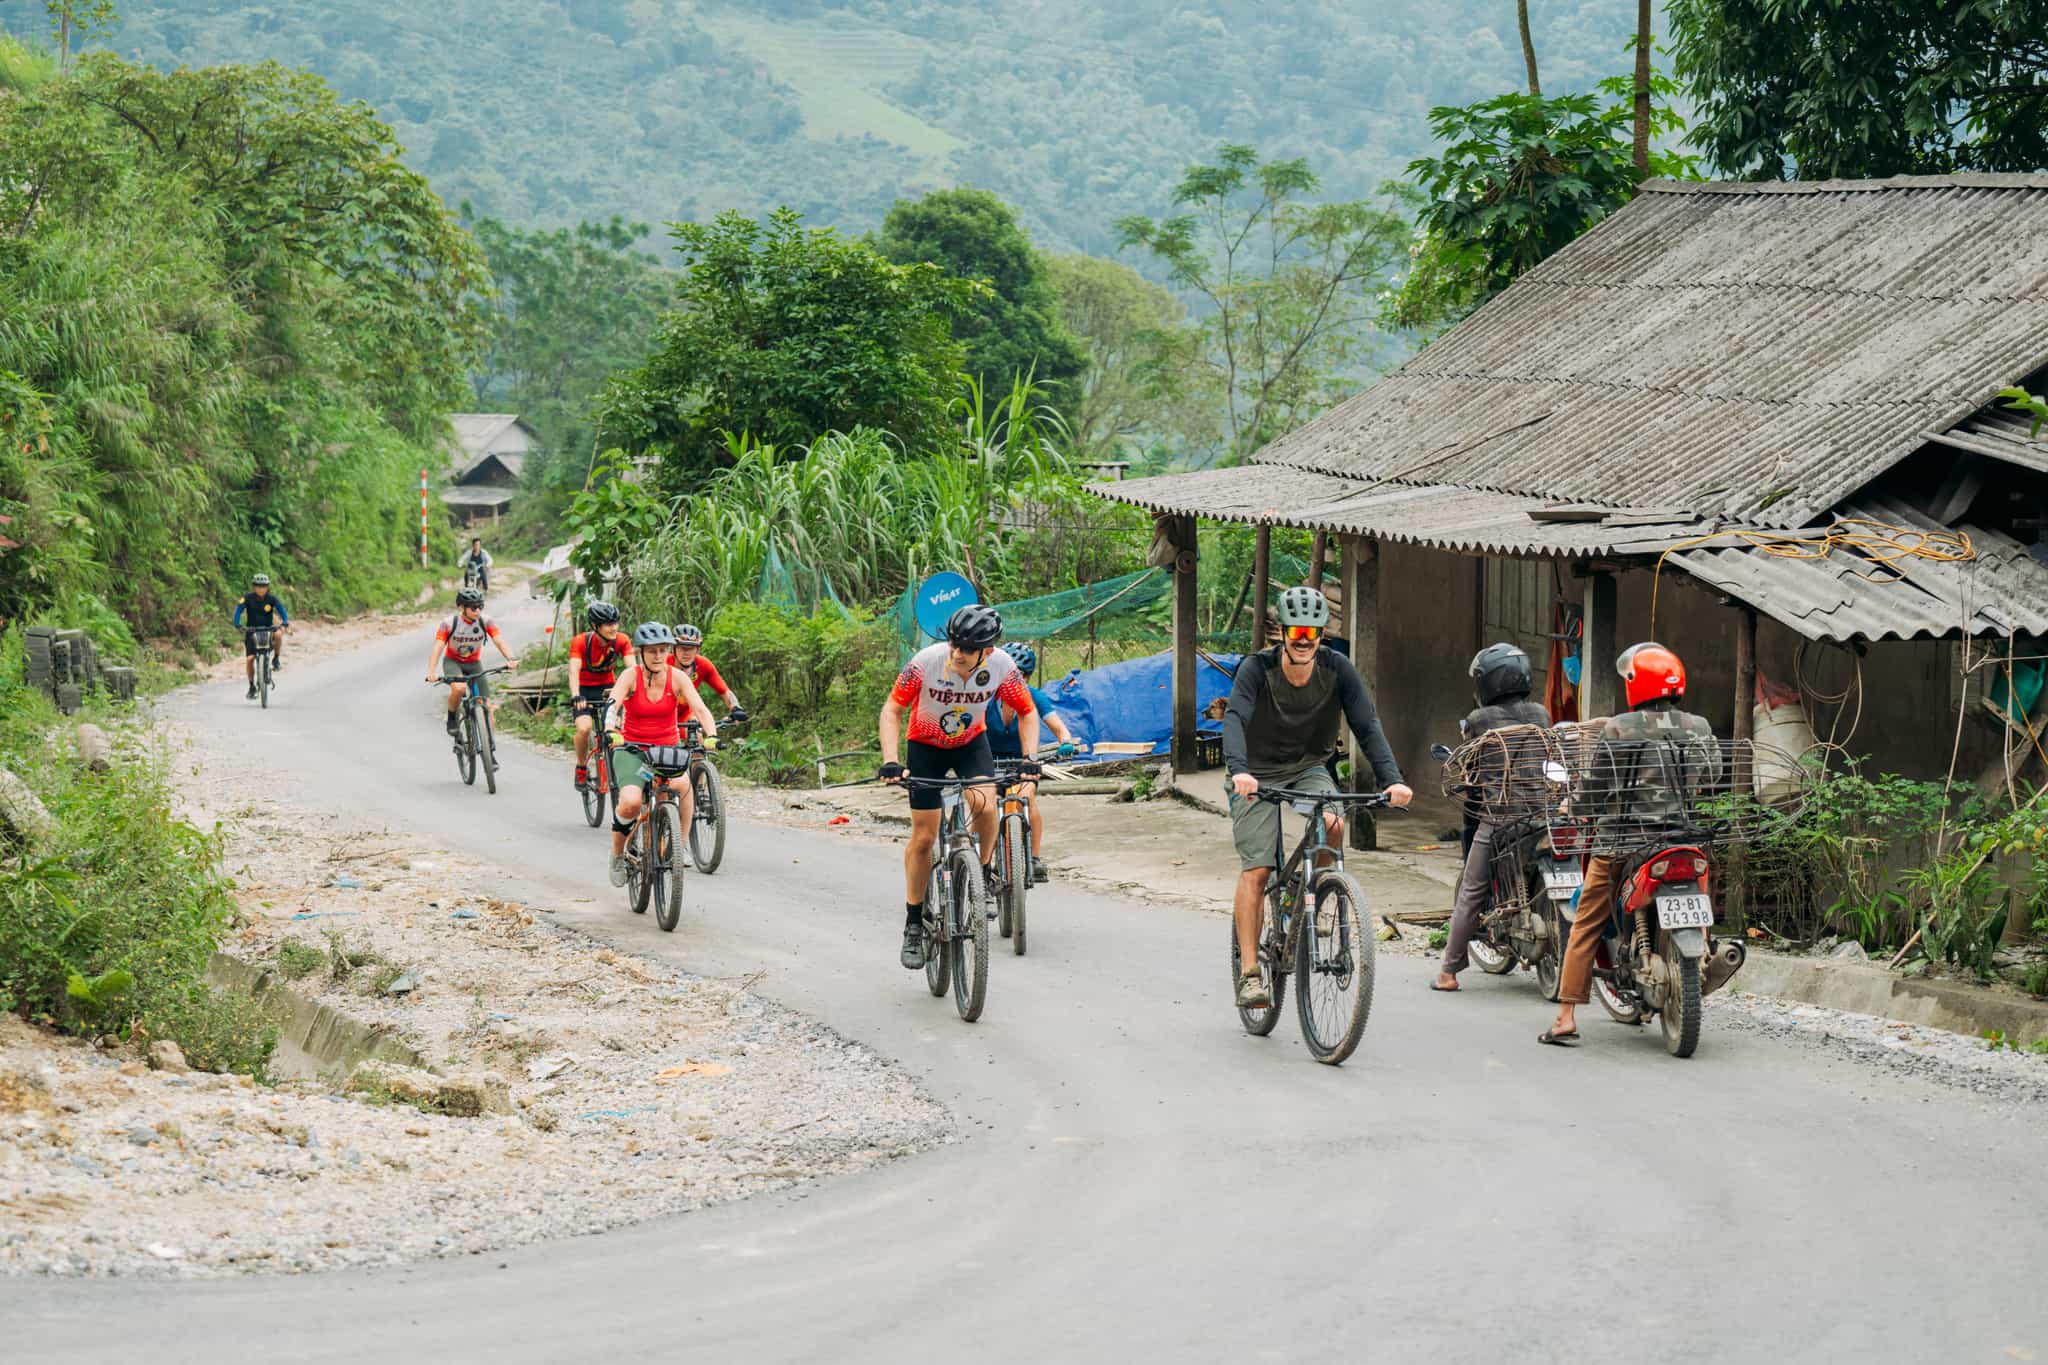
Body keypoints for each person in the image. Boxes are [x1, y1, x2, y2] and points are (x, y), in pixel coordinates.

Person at [1222, 585, 1413, 1009]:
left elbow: (1367, 725)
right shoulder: (1257, 670)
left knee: (1333, 823)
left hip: (1308, 767)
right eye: (1297, 635)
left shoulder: (1338, 669)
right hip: (1256, 773)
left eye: (1313, 634)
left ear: (1322, 635)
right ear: (1283, 635)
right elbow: (1234, 718)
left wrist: (1392, 779)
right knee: (1256, 869)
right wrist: (1240, 771)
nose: (1305, 642)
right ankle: (1252, 974)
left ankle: (1302, 895)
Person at [1542, 643, 1717, 1047]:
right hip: (1684, 838)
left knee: (1585, 922)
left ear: (1637, 686)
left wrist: (1574, 805)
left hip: (1623, 843)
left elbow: (1594, 791)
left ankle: (1566, 1016)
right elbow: (1713, 772)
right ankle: (1703, 945)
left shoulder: (1619, 728)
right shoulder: (1700, 726)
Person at [878, 604, 1039, 970]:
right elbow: (892, 710)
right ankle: (914, 923)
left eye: (967, 648)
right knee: (923, 838)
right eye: (953, 643)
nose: (957, 653)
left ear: (987, 650)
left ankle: (981, 876)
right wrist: (891, 760)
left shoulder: (1002, 667)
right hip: (925, 746)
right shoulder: (926, 662)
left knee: (984, 804)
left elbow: (1028, 712)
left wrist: (1029, 757)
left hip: (970, 745)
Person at [1433, 643, 1552, 993]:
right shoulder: (1541, 714)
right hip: (1543, 814)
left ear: (1487, 683)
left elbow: (1469, 765)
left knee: (1470, 891)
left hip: (1502, 819)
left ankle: (1448, 972)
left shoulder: (1479, 720)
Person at [603, 622, 717, 888]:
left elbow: (700, 709)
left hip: (667, 751)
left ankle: (682, 845)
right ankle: (618, 855)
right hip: (633, 750)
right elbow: (613, 703)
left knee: (683, 785)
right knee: (630, 802)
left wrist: (710, 734)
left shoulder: (677, 677)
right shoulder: (630, 676)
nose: (657, 656)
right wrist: (610, 729)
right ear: (641, 652)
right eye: (652, 651)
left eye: (662, 650)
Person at [983, 642, 1077, 884]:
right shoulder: (984, 697)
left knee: (1027, 797)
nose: (1016, 680)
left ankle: (1034, 858)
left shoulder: (1035, 697)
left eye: (1022, 675)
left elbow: (1058, 727)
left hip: (1023, 761)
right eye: (1011, 674)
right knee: (987, 805)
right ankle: (983, 859)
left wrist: (1065, 742)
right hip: (987, 761)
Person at [424, 587, 518, 737]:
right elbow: (438, 647)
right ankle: (452, 718)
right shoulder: (448, 623)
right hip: (453, 662)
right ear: (462, 607)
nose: (478, 611)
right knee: (459, 689)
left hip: (474, 663)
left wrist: (511, 659)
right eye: (474, 608)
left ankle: (489, 749)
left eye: (480, 606)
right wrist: (432, 672)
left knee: (488, 706)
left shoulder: (486, 621)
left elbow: (499, 641)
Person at [567, 600, 628, 790]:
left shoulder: (621, 640)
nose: (614, 628)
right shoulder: (581, 642)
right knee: (584, 729)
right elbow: (573, 670)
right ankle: (581, 767)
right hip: (584, 691)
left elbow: (632, 668)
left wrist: (632, 689)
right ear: (595, 626)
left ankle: (621, 769)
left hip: (608, 688)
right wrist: (576, 695)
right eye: (609, 624)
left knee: (618, 731)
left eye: (615, 623)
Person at [670, 624, 747, 725]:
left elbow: (724, 690)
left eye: (691, 648)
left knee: (696, 732)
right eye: (682, 648)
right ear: (673, 648)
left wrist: (736, 708)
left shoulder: (703, 665)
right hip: (661, 716)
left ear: (698, 650)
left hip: (686, 714)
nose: (686, 653)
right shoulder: (662, 664)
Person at [233, 573, 288, 699]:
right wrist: (237, 624)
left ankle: (276, 659)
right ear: (254, 586)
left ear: (267, 587)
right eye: (258, 586)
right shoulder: (247, 598)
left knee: (279, 634)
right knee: (250, 659)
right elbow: (238, 610)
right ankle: (252, 686)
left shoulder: (272, 599)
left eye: (263, 586)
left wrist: (284, 622)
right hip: (252, 632)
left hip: (268, 630)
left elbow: (282, 610)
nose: (261, 588)